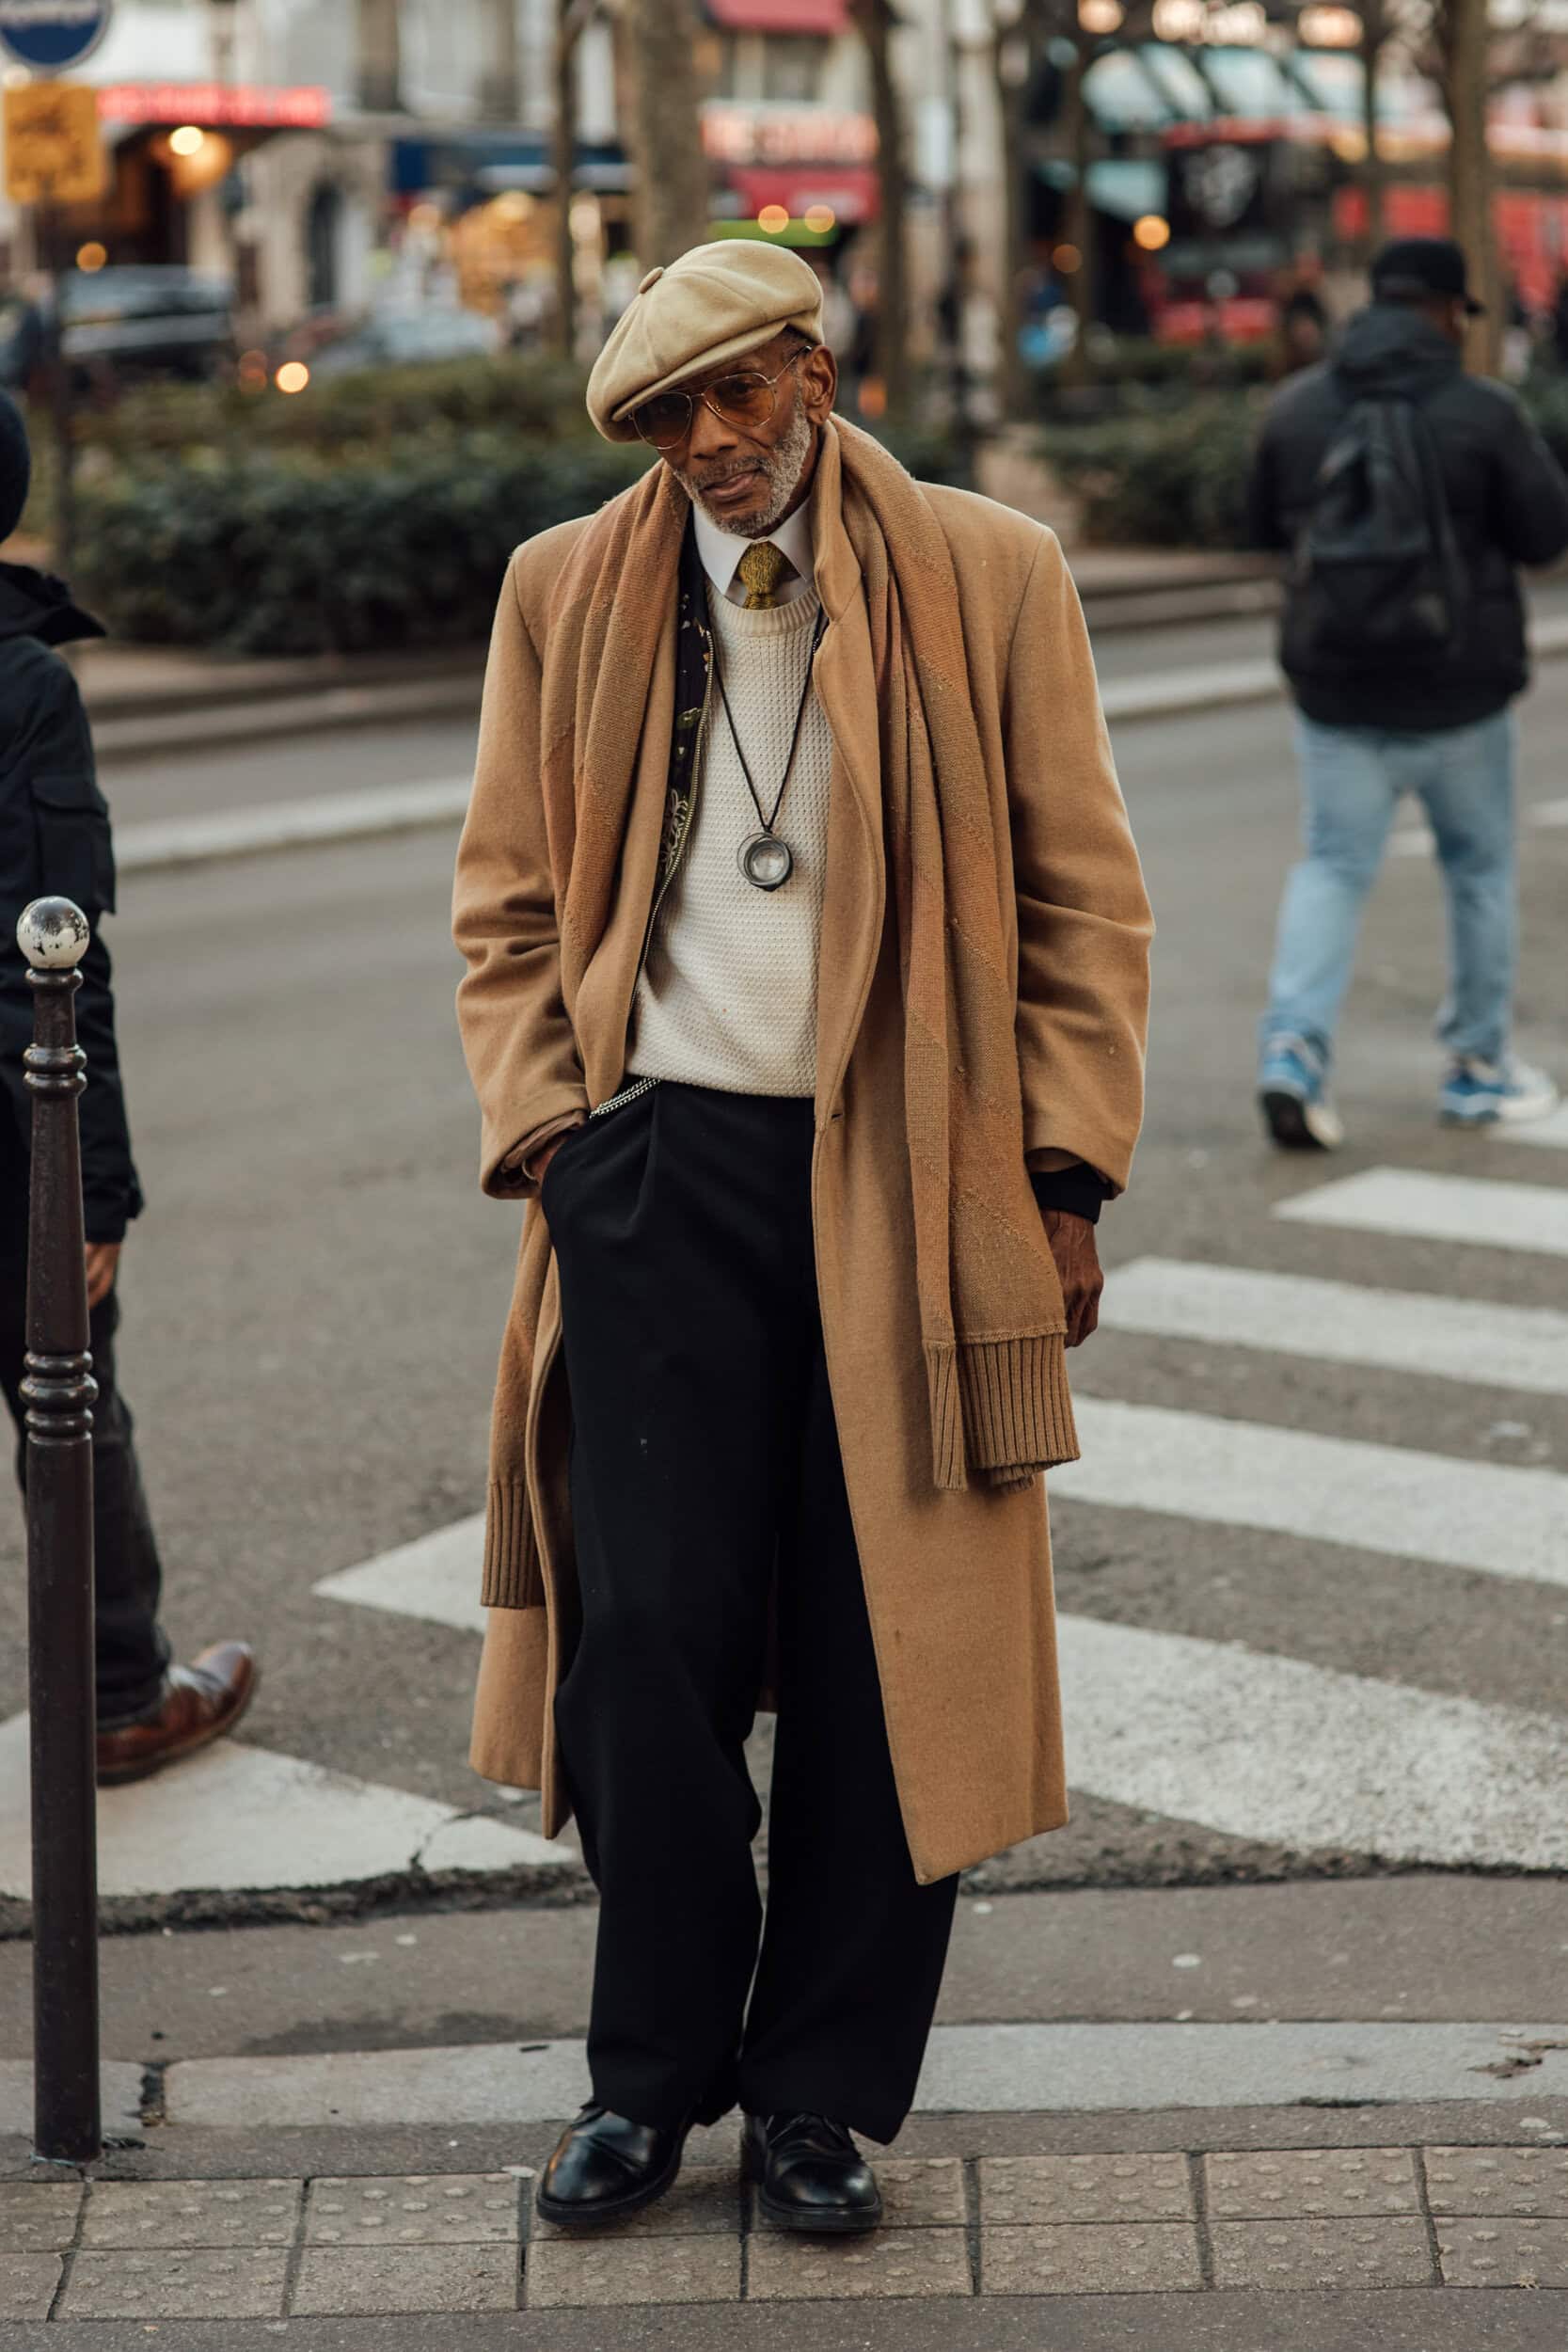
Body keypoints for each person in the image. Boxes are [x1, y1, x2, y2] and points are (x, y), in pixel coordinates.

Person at [452, 242, 1151, 2233]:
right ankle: (644, 2079)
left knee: (880, 1649)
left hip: (910, 1165)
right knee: (645, 1641)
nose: (707, 447)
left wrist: (1061, 1174)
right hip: (657, 1167)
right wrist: (554, 1138)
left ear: (809, 371)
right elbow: (502, 902)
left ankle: (817, 2096)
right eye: (665, 421)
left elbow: (1080, 903)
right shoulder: (563, 590)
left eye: (732, 398)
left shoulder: (987, 570)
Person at [0, 392, 255, 1783]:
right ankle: (113, 1696)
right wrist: (92, 1189)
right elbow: (51, 961)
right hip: (1, 1134)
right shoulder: (24, 686)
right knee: (64, 1394)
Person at [1249, 235, 1568, 1148]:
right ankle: (1475, 1068)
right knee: (1476, 871)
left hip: (1333, 694)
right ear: (1443, 311)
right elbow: (1545, 534)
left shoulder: (1297, 406)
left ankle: (1291, 1054)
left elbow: (1257, 523)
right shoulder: (1483, 411)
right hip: (1460, 694)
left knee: (1330, 866)